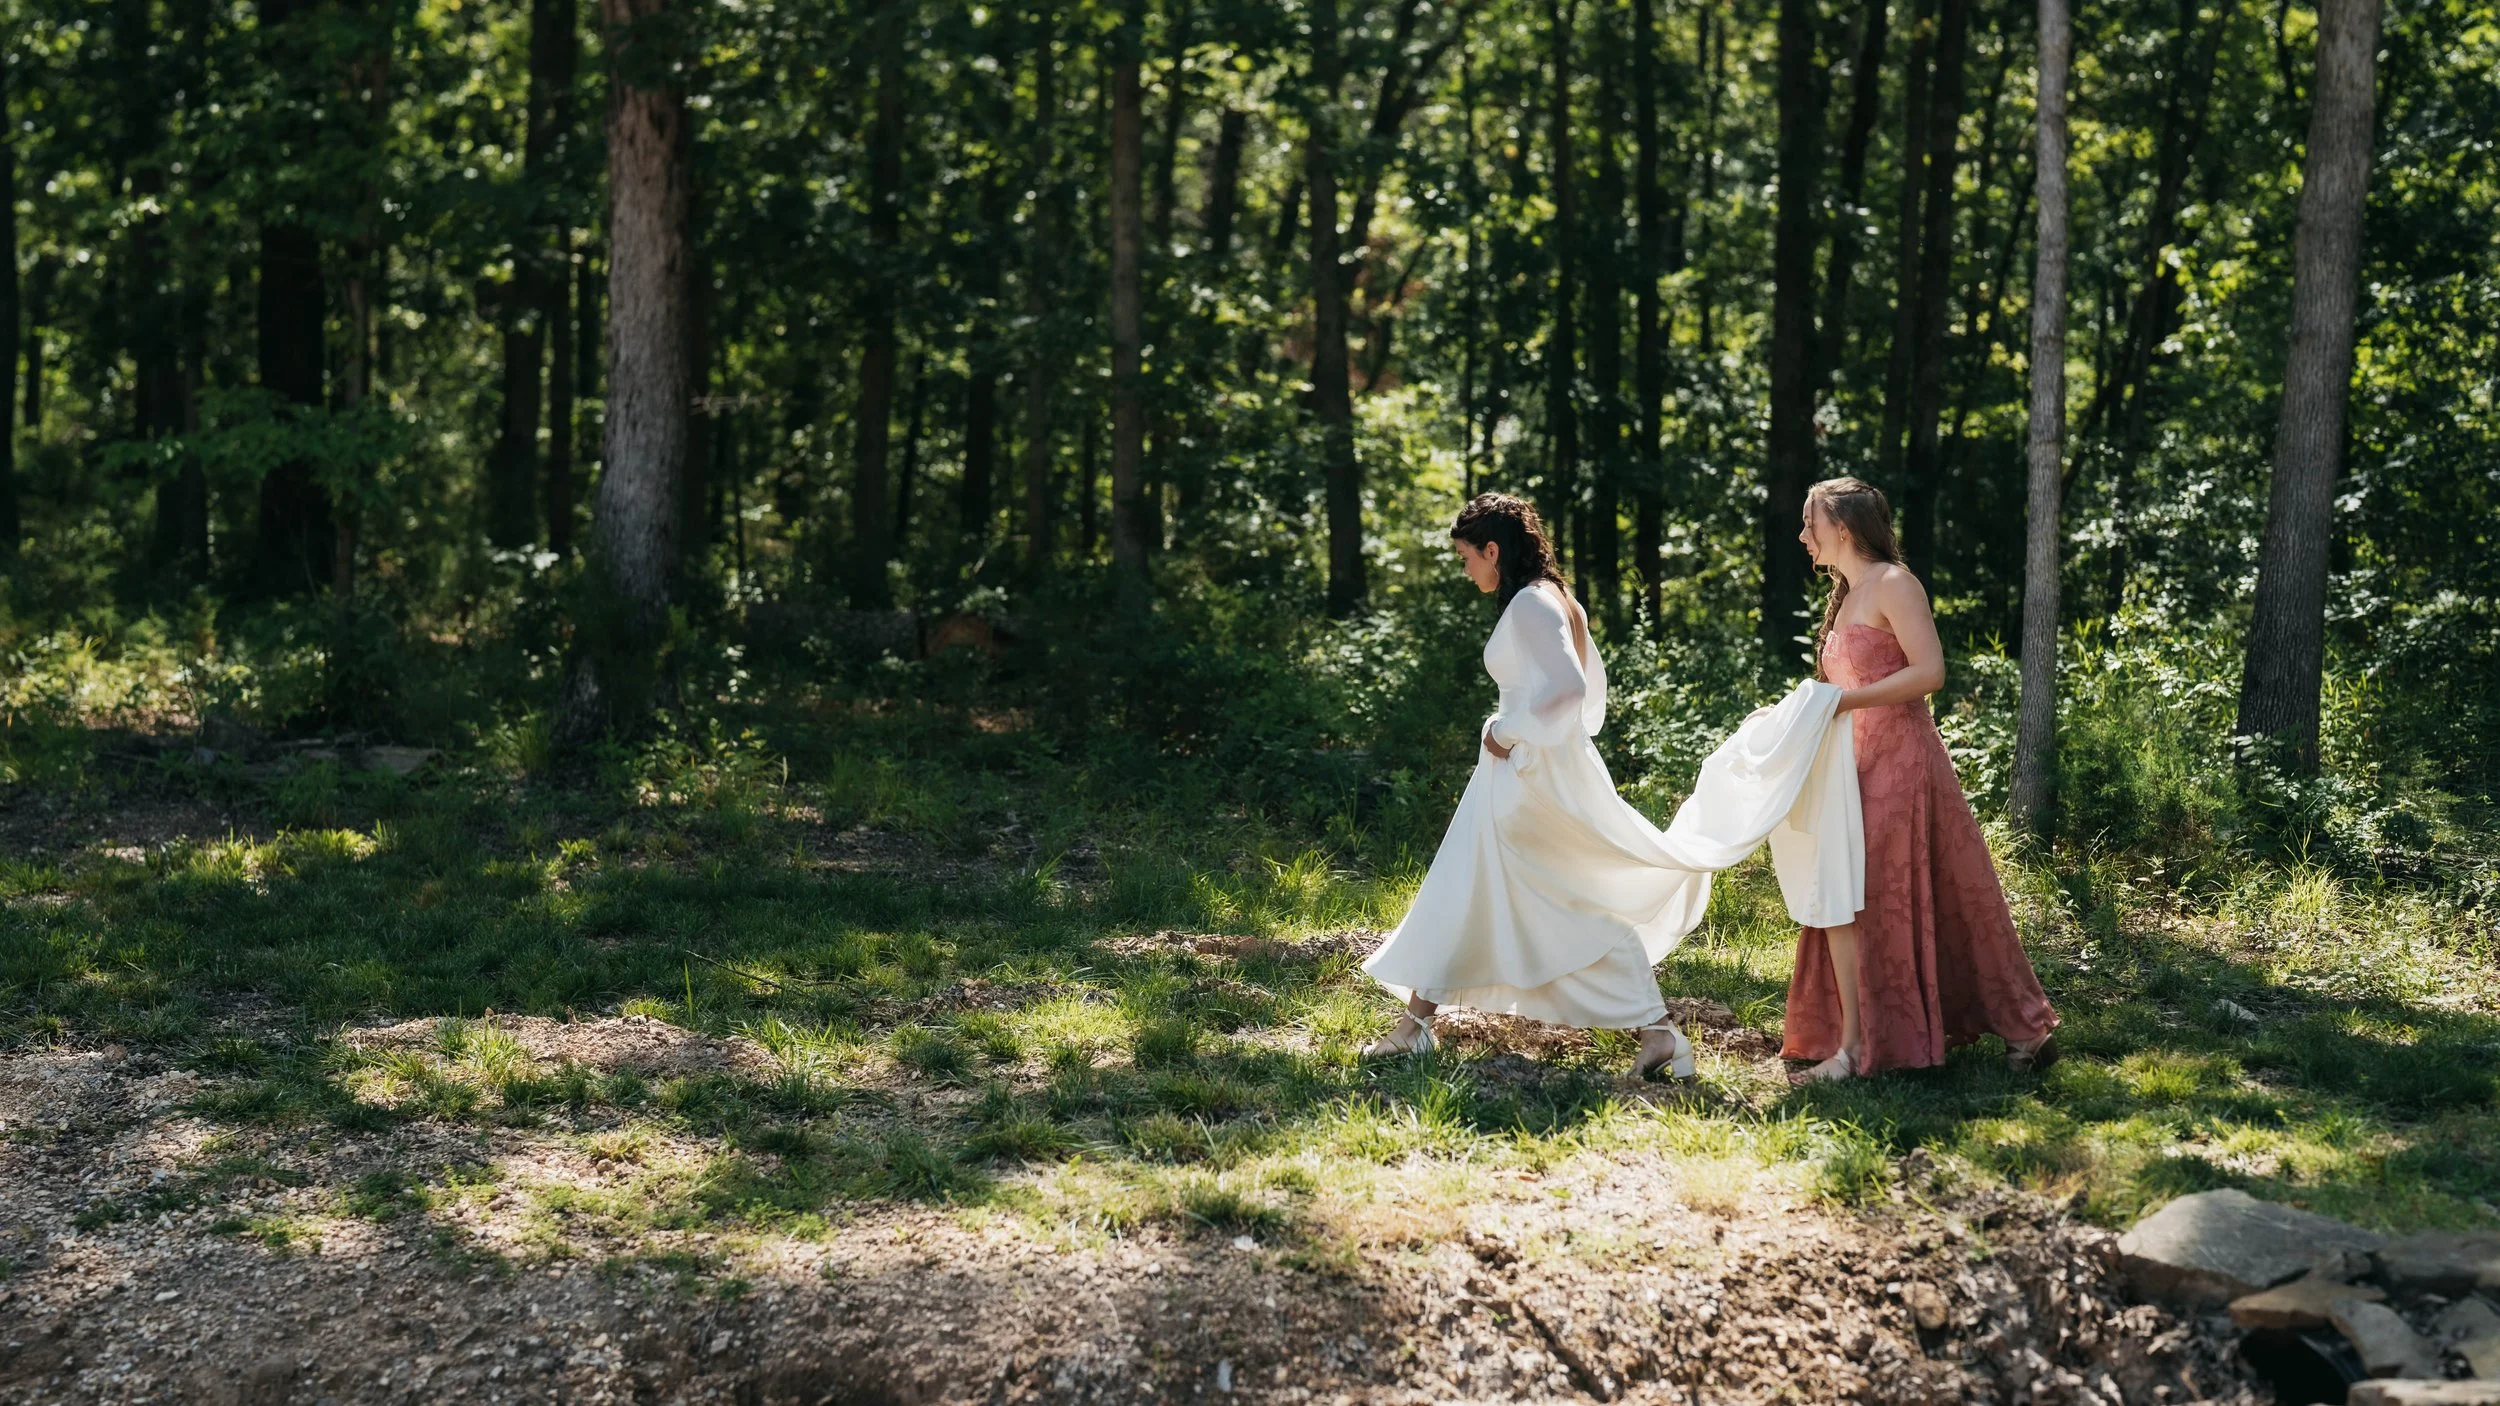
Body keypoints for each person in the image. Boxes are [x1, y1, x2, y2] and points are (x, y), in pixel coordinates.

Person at [1358, 494, 1707, 1080]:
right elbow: (1588, 701)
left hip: (1527, 775)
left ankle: (1658, 1030)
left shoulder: (1529, 605)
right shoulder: (1557, 599)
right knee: (1467, 886)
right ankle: (1415, 1025)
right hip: (1530, 768)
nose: (1467, 569)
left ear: (1494, 550)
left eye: (1468, 557)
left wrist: (1508, 730)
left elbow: (1569, 690)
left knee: (1565, 902)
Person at [1782, 477, 2060, 1083]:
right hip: (1854, 765)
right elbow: (1838, 693)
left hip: (1901, 763)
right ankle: (1858, 1042)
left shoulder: (1894, 583)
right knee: (1853, 896)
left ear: (1844, 528)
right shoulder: (1846, 593)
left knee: (1910, 895)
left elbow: (1930, 673)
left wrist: (1843, 705)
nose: (1803, 536)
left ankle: (2021, 1028)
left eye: (1812, 524)